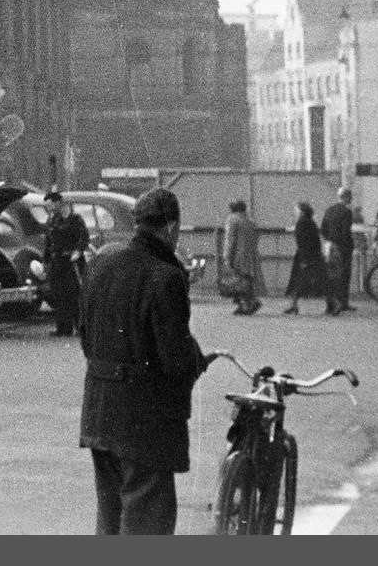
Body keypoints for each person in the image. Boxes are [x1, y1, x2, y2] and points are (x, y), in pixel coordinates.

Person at [77, 187, 216, 535]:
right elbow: (176, 360)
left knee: (110, 517)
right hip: (143, 421)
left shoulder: (102, 261)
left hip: (99, 409)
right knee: (147, 521)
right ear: (171, 228)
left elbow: (85, 334)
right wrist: (197, 361)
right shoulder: (164, 276)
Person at [43, 191, 89, 337]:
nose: (49, 208)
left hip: (71, 261)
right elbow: (49, 242)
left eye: (50, 205)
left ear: (58, 203)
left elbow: (84, 237)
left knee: (74, 294)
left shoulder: (75, 219)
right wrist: (45, 260)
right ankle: (63, 328)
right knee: (58, 294)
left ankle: (80, 327)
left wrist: (78, 251)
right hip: (57, 261)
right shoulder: (52, 220)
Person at [285, 202, 327, 315]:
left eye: (296, 210)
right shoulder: (310, 222)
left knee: (298, 281)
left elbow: (302, 242)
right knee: (320, 280)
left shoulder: (301, 223)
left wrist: (304, 259)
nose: (295, 212)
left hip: (305, 256)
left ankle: (293, 305)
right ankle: (332, 303)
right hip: (313, 255)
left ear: (301, 212)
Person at [221, 200, 261, 316]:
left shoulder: (232, 219)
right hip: (250, 254)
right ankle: (248, 303)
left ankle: (245, 304)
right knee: (246, 279)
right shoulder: (250, 221)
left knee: (238, 280)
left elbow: (230, 239)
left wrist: (226, 256)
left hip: (237, 255)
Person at [320, 187, 357, 315]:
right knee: (344, 275)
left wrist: (330, 240)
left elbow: (323, 228)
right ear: (346, 197)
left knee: (332, 274)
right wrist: (344, 243)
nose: (351, 199)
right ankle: (343, 302)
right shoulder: (346, 212)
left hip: (329, 246)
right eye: (350, 196)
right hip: (343, 247)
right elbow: (346, 231)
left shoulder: (329, 210)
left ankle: (334, 302)